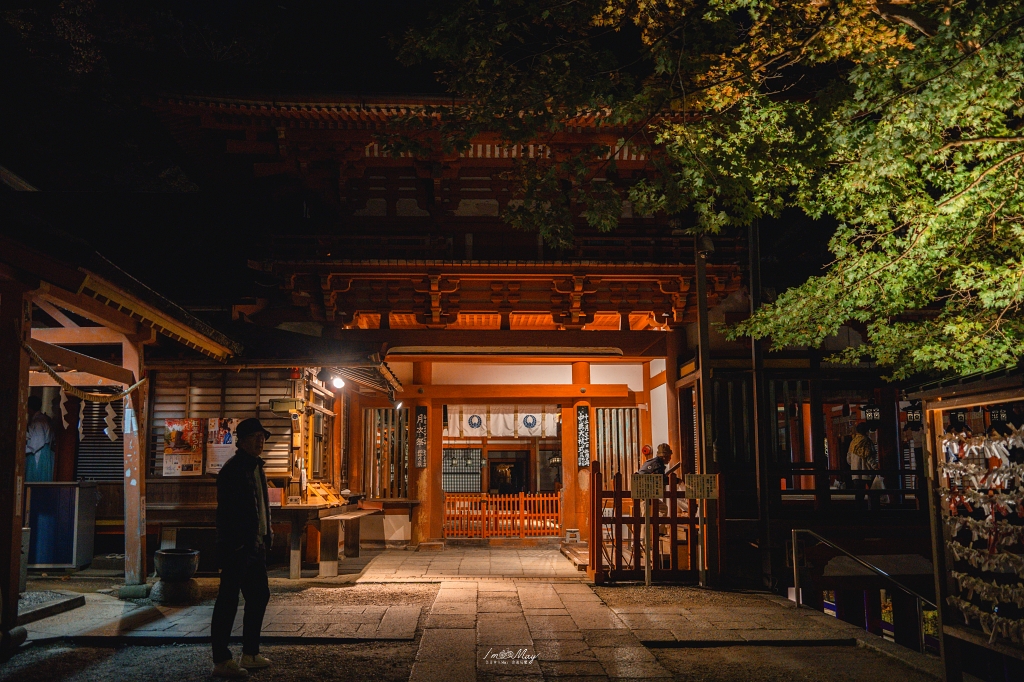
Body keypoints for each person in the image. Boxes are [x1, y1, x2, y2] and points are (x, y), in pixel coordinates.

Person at [210, 418, 274, 679]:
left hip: (253, 545)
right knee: (228, 600)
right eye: (256, 436)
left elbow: (260, 506)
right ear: (243, 440)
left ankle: (250, 652)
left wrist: (265, 534)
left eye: (263, 437)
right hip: (238, 547)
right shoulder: (233, 470)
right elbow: (228, 513)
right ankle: (221, 659)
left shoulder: (255, 468)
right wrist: (236, 544)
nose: (261, 441)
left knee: (259, 595)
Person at [847, 422, 878, 509]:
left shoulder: (853, 442)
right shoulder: (867, 441)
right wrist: (875, 467)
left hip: (856, 472)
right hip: (867, 472)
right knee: (873, 493)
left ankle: (859, 514)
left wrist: (853, 464)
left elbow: (848, 458)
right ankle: (873, 510)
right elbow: (869, 457)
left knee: (859, 496)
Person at [25, 395, 55, 482]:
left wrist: (22, 450)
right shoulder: (41, 419)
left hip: (39, 454)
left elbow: (37, 442)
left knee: (36, 478)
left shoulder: (38, 421)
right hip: (41, 452)